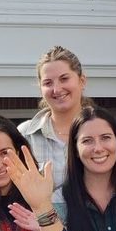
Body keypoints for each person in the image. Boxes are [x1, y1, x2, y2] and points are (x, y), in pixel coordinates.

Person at [17, 45, 89, 173]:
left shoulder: (107, 133)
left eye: (64, 79)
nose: (57, 89)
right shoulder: (25, 136)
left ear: (82, 81)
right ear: (40, 88)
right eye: (48, 83)